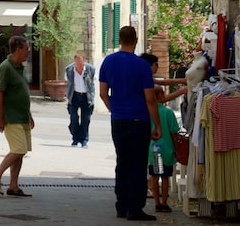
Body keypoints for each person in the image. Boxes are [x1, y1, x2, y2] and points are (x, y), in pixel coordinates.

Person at [99, 26, 162, 222]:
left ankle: (122, 205)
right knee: (137, 164)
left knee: (122, 162)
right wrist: (157, 124)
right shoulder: (142, 65)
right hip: (138, 120)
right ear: (135, 40)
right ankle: (135, 208)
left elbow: (102, 93)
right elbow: (150, 99)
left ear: (120, 40)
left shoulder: (108, 62)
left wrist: (113, 108)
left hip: (118, 120)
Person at [0, 35, 35, 198]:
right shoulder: (5, 67)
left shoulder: (19, 67)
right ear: (18, 49)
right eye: (26, 48)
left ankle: (13, 186)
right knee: (18, 149)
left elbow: (21, 93)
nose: (28, 51)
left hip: (22, 116)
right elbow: (0, 93)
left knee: (20, 152)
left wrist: (29, 114)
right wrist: (0, 118)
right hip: (12, 117)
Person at [148, 86, 180, 213]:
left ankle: (157, 203)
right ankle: (164, 203)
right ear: (161, 96)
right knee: (165, 177)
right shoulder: (168, 112)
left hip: (154, 149)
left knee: (155, 176)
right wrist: (177, 150)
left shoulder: (150, 112)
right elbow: (174, 133)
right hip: (167, 150)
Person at [64, 51, 96, 147]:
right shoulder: (69, 70)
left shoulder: (91, 69)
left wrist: (92, 97)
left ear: (84, 62)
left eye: (81, 63)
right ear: (74, 62)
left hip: (86, 97)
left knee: (85, 119)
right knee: (73, 118)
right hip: (74, 96)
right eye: (77, 63)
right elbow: (68, 83)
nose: (79, 65)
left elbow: (92, 83)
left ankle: (84, 140)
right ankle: (75, 138)